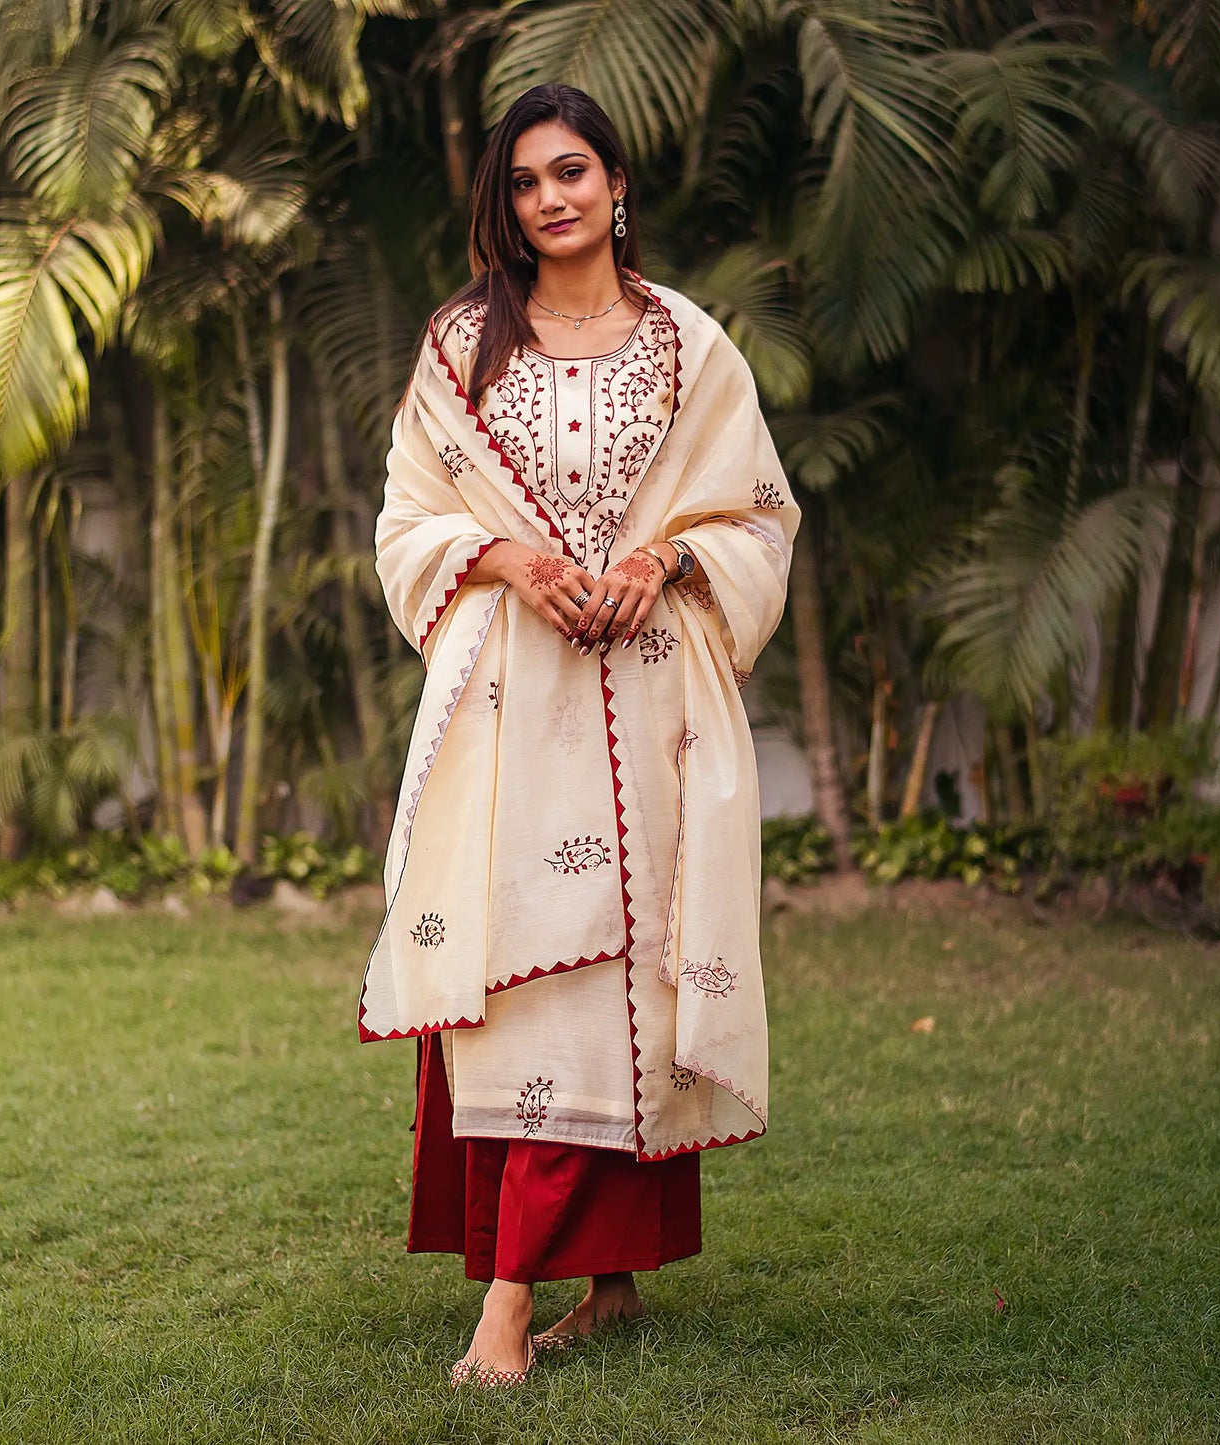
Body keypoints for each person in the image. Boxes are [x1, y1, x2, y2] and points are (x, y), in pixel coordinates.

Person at [359, 82, 800, 1388]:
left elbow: (759, 516)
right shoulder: (461, 348)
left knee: (627, 988)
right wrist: (498, 554)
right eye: (524, 183)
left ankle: (599, 1286)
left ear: (617, 185)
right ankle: (506, 1297)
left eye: (572, 172)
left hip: (652, 711)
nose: (550, 198)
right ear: (505, 205)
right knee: (525, 991)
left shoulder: (687, 346)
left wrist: (662, 557)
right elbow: (404, 520)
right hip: (512, 712)